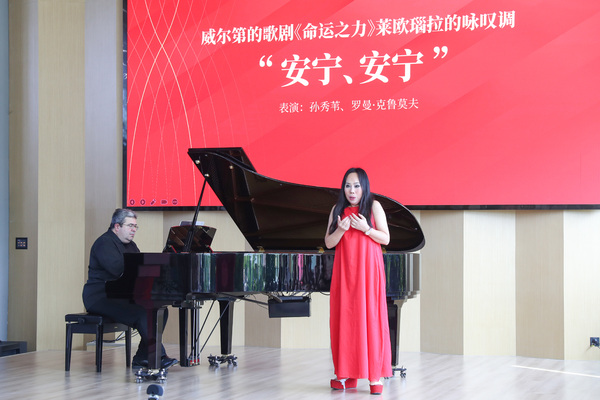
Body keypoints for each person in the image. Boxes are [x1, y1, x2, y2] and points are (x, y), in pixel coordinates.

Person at [82, 208, 178, 370]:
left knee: (161, 310)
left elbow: (138, 270)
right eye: (130, 226)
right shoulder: (104, 243)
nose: (134, 229)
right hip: (100, 296)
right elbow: (118, 271)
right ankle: (158, 357)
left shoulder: (131, 246)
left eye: (135, 226)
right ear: (117, 226)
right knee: (143, 313)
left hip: (119, 295)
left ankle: (142, 357)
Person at [325, 168, 392, 395]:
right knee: (345, 318)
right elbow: (329, 243)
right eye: (347, 185)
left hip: (368, 270)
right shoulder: (337, 209)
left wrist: (367, 229)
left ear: (364, 187)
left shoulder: (374, 206)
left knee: (370, 318)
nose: (351, 190)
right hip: (345, 271)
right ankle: (345, 373)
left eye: (356, 186)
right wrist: (340, 230)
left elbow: (386, 238)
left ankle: (374, 376)